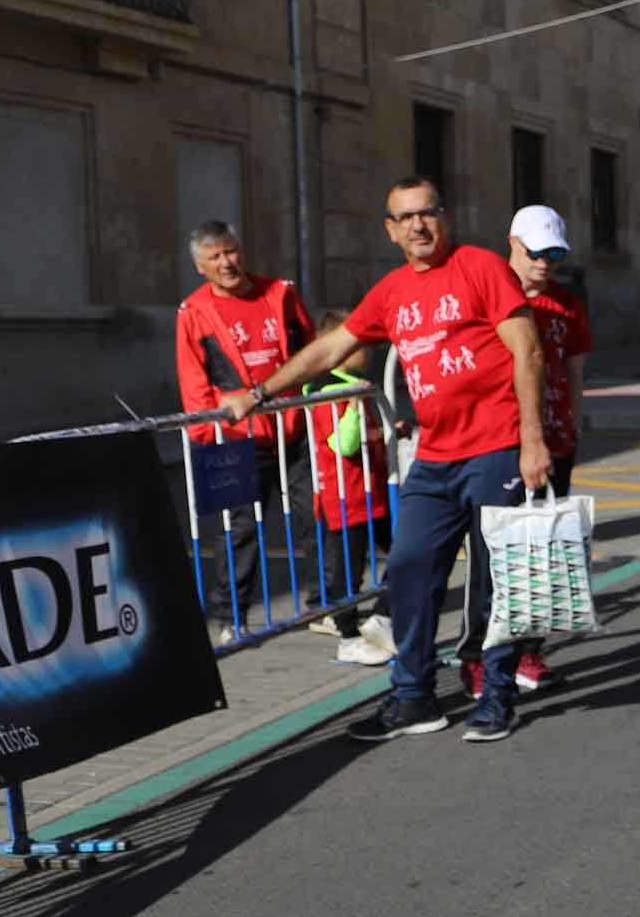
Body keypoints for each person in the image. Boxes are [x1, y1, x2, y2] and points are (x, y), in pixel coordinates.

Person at [221, 177, 551, 744]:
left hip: (496, 448)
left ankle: (495, 693)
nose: (419, 225)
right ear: (391, 229)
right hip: (436, 454)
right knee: (408, 568)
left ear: (443, 217)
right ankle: (414, 696)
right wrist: (259, 392)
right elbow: (330, 347)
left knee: (498, 580)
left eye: (427, 213)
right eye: (406, 217)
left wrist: (533, 441)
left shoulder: (480, 267)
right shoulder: (393, 290)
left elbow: (528, 349)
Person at [173, 223, 314, 643]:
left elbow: (310, 348)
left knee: (316, 514)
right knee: (241, 531)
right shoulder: (194, 312)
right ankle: (231, 617)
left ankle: (329, 601)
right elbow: (193, 380)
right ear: (201, 267)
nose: (227, 262)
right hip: (236, 440)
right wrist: (205, 438)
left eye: (231, 252)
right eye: (215, 257)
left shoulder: (279, 293)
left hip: (294, 430)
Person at [506, 205, 594, 696]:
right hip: (507, 442)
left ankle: (530, 650)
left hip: (558, 442)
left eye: (554, 254)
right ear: (513, 243)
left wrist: (575, 421)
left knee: (545, 550)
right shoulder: (496, 298)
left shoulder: (566, 302)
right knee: (504, 549)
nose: (544, 263)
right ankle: (487, 653)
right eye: (535, 252)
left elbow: (575, 367)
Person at [300, 325, 396, 665]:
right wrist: (355, 406)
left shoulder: (356, 387)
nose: (367, 351)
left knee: (405, 554)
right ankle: (348, 635)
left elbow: (367, 436)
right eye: (360, 345)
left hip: (375, 495)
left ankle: (381, 617)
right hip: (347, 498)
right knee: (348, 572)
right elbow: (344, 443)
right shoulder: (328, 392)